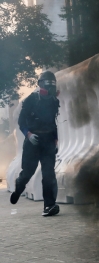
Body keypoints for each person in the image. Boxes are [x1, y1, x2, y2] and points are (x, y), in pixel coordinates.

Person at [10, 71, 60, 217]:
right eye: (47, 84)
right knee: (27, 173)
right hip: (33, 141)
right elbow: (21, 122)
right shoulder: (30, 100)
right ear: (40, 85)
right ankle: (18, 189)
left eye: (52, 84)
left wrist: (56, 140)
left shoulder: (54, 101)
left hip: (48, 141)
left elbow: (54, 123)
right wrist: (29, 134)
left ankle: (49, 206)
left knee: (49, 174)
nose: (49, 87)